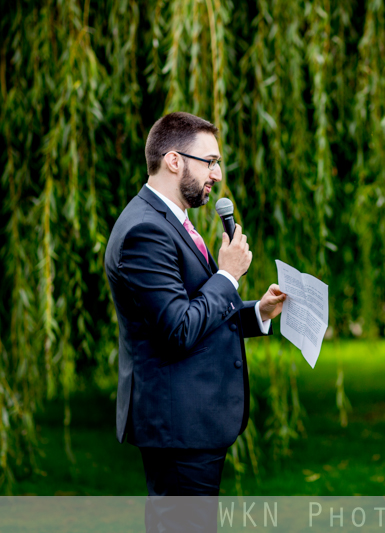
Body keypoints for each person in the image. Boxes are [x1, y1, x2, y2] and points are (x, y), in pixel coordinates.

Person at [104, 112, 286, 531]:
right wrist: (227, 275)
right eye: (210, 161)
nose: (218, 175)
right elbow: (179, 329)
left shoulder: (169, 222)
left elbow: (193, 312)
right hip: (179, 426)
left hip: (190, 424)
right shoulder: (145, 232)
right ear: (173, 160)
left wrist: (257, 313)